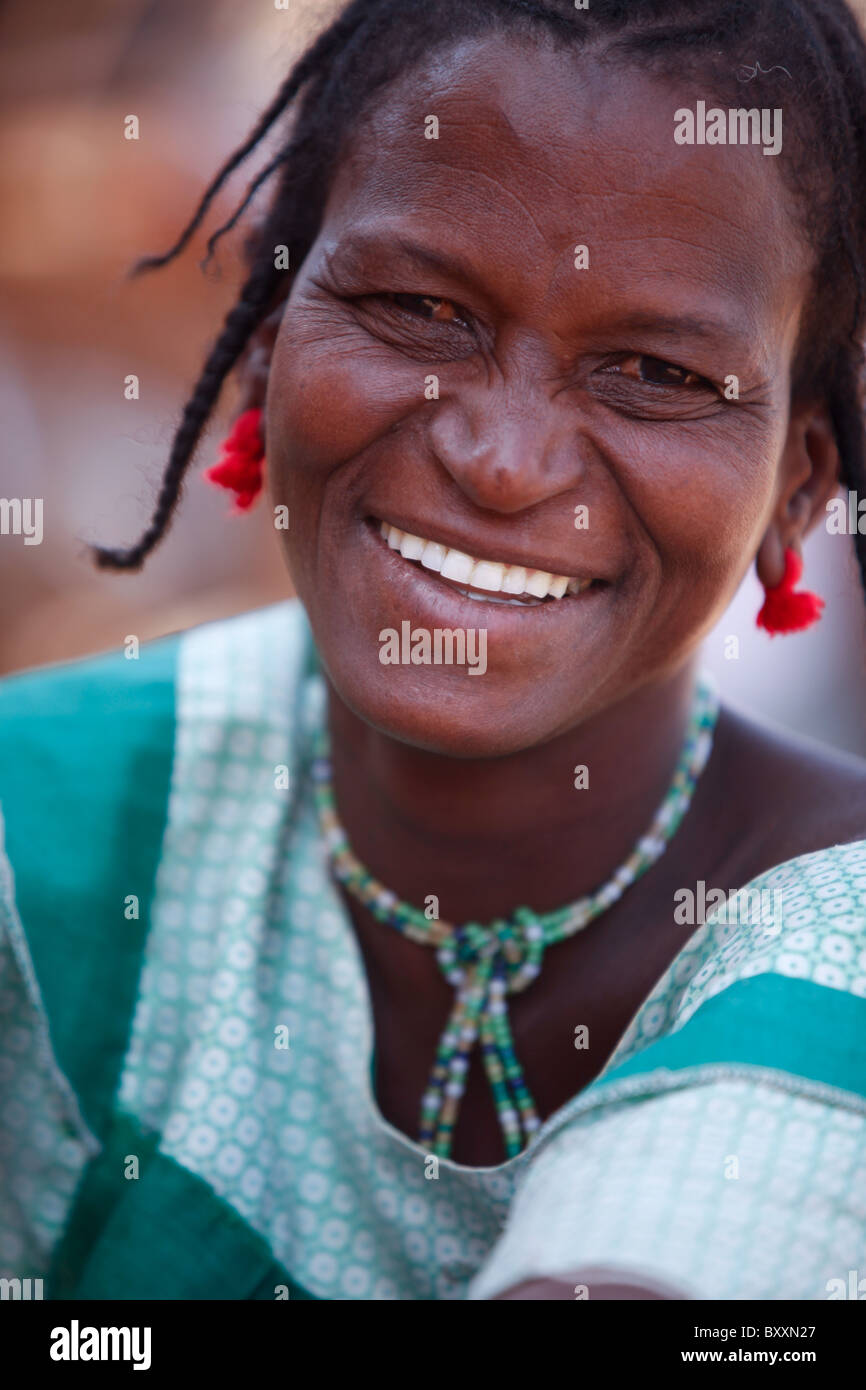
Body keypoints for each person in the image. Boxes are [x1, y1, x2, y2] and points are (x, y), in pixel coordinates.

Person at [2, 0, 866, 1302]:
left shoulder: (836, 931)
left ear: (798, 489)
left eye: (652, 372)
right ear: (268, 339)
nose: (504, 462)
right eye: (416, 306)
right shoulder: (49, 822)